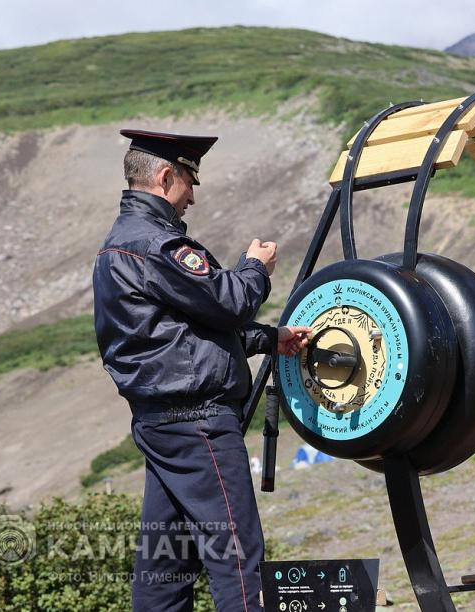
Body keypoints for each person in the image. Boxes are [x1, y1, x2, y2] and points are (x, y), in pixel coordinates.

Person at [93, 129, 311, 612]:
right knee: (237, 561)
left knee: (163, 573)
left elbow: (182, 335)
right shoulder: (158, 244)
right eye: (189, 180)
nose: (192, 194)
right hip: (199, 426)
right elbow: (230, 304)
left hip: (159, 425)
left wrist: (270, 338)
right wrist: (255, 267)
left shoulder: (117, 244)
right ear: (166, 176)